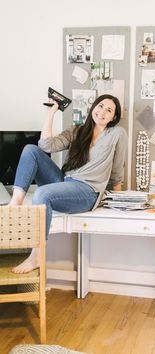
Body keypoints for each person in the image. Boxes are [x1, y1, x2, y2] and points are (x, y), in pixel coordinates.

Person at [10, 94, 127, 274]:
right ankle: (15, 203)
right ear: (93, 107)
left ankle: (36, 256)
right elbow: (46, 146)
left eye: (109, 110)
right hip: (66, 183)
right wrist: (50, 113)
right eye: (101, 106)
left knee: (42, 194)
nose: (103, 112)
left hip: (87, 191)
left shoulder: (117, 134)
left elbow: (117, 171)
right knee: (31, 150)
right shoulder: (76, 131)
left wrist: (118, 199)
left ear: (114, 117)